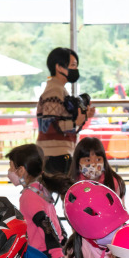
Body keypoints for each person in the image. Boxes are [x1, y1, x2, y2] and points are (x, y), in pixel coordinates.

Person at [37, 47, 95, 176]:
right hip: (55, 155)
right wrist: (75, 122)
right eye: (72, 65)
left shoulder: (58, 89)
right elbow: (48, 125)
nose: (75, 69)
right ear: (59, 67)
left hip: (57, 153)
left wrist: (83, 117)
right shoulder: (54, 91)